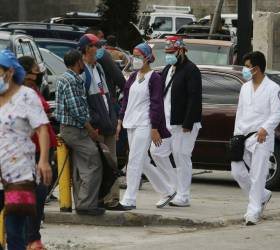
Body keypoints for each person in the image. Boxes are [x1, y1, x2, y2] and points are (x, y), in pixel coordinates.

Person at [0, 50, 52, 250]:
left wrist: (44, 160)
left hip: (19, 175)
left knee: (15, 232)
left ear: (10, 72)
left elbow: (42, 129)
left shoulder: (27, 96)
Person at [117, 42, 175, 209]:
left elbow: (157, 103)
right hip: (130, 122)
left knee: (134, 160)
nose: (135, 59)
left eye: (138, 56)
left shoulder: (155, 78)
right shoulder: (134, 77)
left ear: (147, 58)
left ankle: (129, 199)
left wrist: (155, 127)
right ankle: (167, 190)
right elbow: (126, 100)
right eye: (134, 56)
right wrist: (120, 120)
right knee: (142, 161)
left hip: (145, 123)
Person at [231, 51, 280, 225]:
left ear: (257, 68)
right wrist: (236, 135)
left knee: (257, 175)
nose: (244, 70)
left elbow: (277, 113)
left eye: (247, 67)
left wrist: (265, 129)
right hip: (243, 135)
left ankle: (253, 211)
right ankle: (263, 195)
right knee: (237, 170)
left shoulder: (273, 88)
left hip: (262, 137)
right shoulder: (245, 87)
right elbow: (240, 112)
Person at [150, 36, 202, 207]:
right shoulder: (168, 69)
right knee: (156, 152)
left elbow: (194, 98)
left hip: (183, 123)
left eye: (171, 52)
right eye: (167, 53)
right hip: (166, 121)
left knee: (182, 157)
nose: (169, 55)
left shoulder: (191, 70)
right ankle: (173, 187)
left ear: (181, 50)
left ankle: (184, 195)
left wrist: (188, 122)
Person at [78, 34, 127, 211]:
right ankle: (97, 199)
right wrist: (95, 121)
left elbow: (107, 97)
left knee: (111, 162)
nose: (99, 49)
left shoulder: (98, 68)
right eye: (95, 46)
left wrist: (113, 119)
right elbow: (83, 102)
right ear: (85, 49)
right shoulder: (82, 71)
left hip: (108, 124)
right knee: (97, 165)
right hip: (96, 127)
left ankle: (112, 200)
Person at [55, 49, 105, 216]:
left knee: (80, 167)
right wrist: (91, 130)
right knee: (94, 162)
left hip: (71, 129)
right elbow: (76, 109)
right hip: (74, 130)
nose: (83, 64)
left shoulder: (66, 78)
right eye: (82, 62)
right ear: (78, 63)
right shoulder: (71, 81)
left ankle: (82, 202)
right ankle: (86, 204)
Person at [18, 56, 57, 250]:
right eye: (35, 69)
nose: (39, 72)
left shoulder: (33, 90)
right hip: (28, 153)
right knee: (32, 196)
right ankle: (30, 239)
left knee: (39, 195)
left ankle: (32, 238)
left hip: (42, 150)